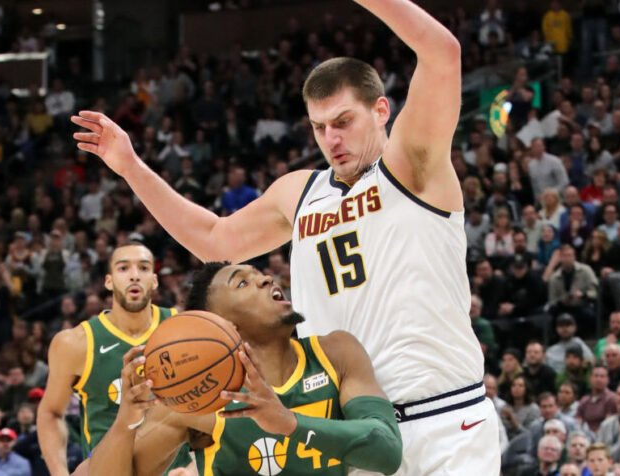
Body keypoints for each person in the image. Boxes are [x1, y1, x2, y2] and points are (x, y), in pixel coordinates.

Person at [72, 0, 499, 473]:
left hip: (444, 419)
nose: (330, 139)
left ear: (381, 111)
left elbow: (442, 51)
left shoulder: (411, 165)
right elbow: (215, 242)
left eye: (343, 122)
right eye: (319, 128)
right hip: (347, 427)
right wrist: (131, 168)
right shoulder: (301, 191)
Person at [88, 262, 403, 476]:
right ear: (223, 325)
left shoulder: (335, 353)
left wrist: (289, 423)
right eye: (242, 283)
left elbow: (387, 450)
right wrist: (125, 423)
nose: (266, 278)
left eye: (259, 274)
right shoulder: (197, 401)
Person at [36, 241, 187, 476]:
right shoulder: (75, 343)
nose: (134, 276)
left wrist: (193, 467)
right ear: (108, 281)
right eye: (123, 268)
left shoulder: (185, 329)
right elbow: (50, 413)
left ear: (155, 281)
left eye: (144, 268)